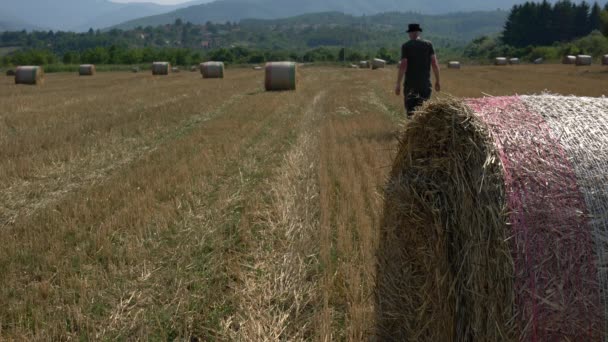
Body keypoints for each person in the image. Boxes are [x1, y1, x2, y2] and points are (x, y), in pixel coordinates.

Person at [395, 23, 441, 116]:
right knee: (423, 113)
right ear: (419, 32)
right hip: (425, 85)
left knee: (411, 112)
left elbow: (403, 65)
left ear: (410, 33)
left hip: (410, 85)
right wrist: (437, 81)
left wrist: (398, 84)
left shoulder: (406, 46)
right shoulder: (428, 44)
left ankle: (411, 130)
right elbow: (434, 64)